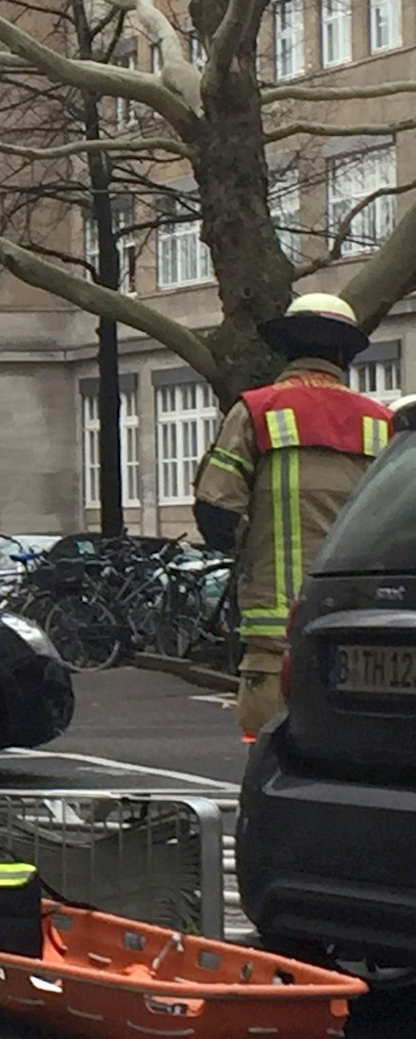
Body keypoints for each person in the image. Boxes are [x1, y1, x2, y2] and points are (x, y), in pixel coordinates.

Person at [194, 293, 391, 737]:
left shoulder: (256, 411)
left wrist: (246, 553)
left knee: (270, 751)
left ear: (285, 349)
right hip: (361, 628)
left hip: (274, 632)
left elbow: (215, 510)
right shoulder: (382, 423)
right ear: (346, 354)